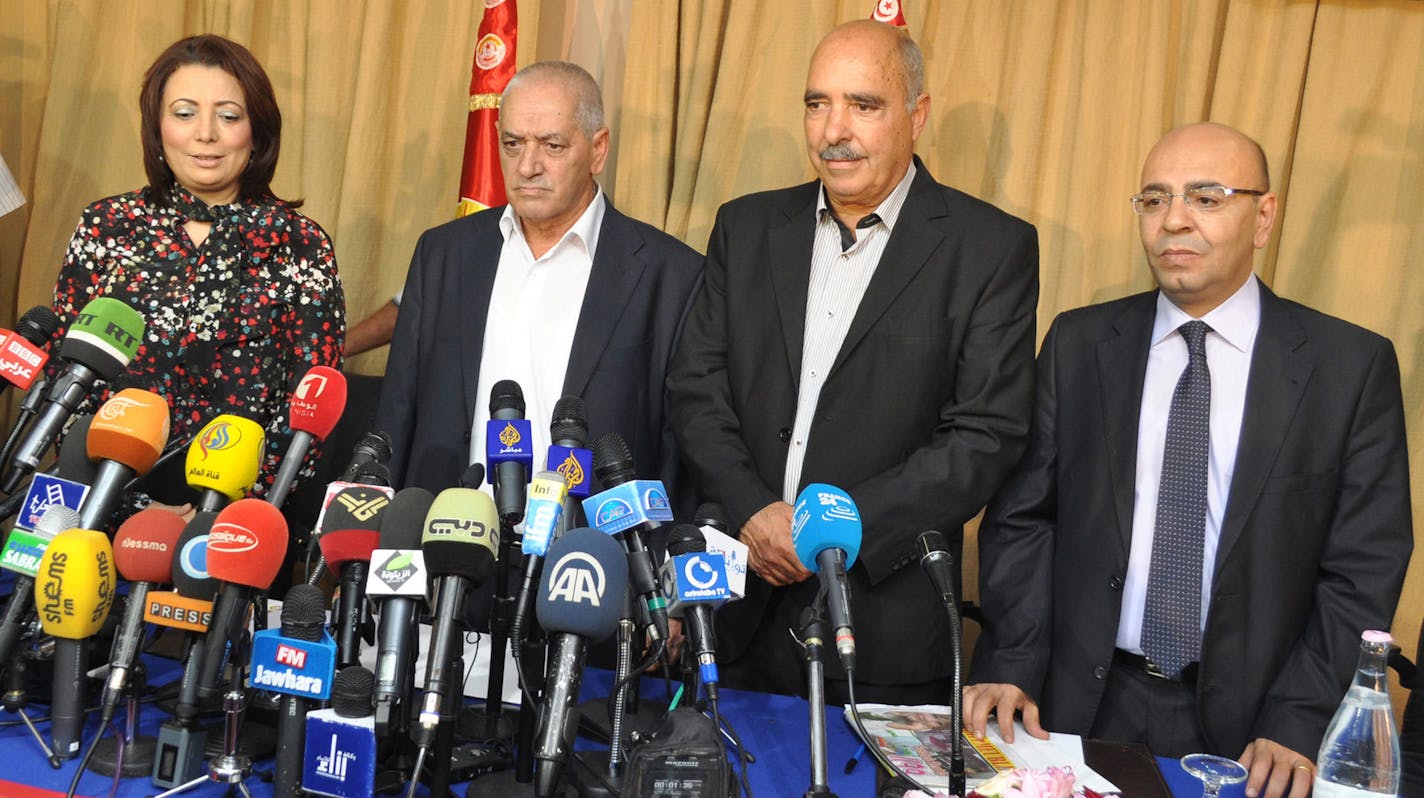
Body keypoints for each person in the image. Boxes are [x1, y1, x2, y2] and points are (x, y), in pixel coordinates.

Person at [967, 122, 1412, 798]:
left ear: (1263, 217)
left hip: (1255, 727)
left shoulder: (1348, 367)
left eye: (1206, 198)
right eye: (1154, 199)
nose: (1174, 220)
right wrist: (1011, 659)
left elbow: (1363, 566)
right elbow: (1024, 518)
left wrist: (1298, 716)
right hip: (1077, 702)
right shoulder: (1081, 344)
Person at [666, 19, 1039, 705]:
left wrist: (824, 532)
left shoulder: (990, 250)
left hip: (880, 631)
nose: (834, 129)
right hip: (732, 613)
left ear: (917, 115)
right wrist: (753, 511)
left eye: (864, 105)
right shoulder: (745, 229)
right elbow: (696, 386)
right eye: (817, 103)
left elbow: (984, 436)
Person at [376, 60, 703, 496]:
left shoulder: (669, 275)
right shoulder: (444, 254)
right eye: (512, 143)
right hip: (446, 533)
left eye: (551, 146)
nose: (527, 165)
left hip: (585, 550)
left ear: (598, 149)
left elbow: (677, 447)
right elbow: (396, 415)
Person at [48, 34, 344, 507]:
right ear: (157, 126)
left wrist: (219, 512)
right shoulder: (108, 226)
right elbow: (66, 379)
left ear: (257, 131)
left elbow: (310, 410)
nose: (205, 133)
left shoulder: (300, 244)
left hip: (236, 524)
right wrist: (124, 502)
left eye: (229, 116)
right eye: (184, 113)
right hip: (98, 501)